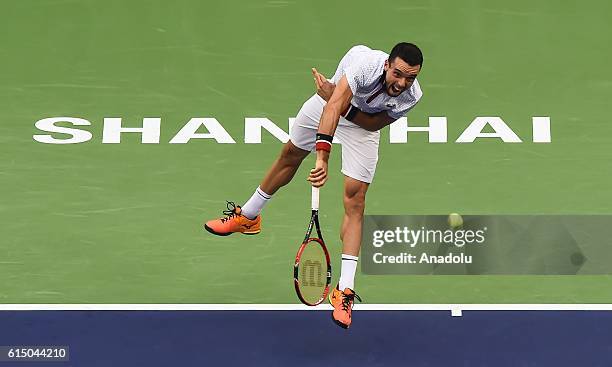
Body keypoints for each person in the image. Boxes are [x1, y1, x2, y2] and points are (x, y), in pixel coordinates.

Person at [205, 43, 423, 329]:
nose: (403, 83)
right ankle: (248, 217)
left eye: (411, 77)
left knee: (355, 200)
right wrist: (322, 157)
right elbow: (333, 106)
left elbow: (371, 125)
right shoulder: (365, 66)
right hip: (328, 105)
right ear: (386, 66)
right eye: (398, 74)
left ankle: (344, 291)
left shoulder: (412, 96)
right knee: (290, 154)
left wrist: (342, 106)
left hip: (358, 124)